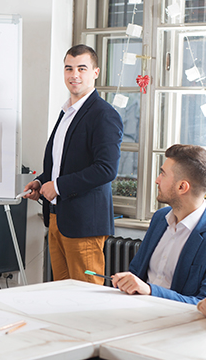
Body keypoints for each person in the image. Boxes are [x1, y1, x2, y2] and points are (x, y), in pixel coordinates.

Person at [23, 44, 123, 284]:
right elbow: (63, 164)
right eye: (69, 68)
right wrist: (41, 182)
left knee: (86, 299)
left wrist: (57, 186)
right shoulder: (67, 112)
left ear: (95, 72)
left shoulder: (103, 114)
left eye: (81, 68)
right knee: (62, 295)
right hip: (58, 218)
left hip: (84, 223)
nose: (74, 75)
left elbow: (106, 169)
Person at [112, 144, 206, 305]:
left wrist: (150, 290)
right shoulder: (160, 218)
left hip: (177, 323)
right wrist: (127, 281)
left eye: (163, 174)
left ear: (182, 187)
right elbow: (136, 271)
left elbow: (200, 303)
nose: (157, 180)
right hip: (136, 310)